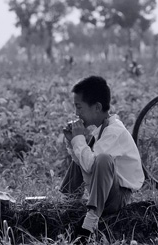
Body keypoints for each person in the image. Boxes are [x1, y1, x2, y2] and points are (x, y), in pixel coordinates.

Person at [60, 76, 145, 238]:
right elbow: (85, 162)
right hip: (103, 191)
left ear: (97, 107)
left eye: (79, 107)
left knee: (101, 158)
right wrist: (73, 142)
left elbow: (93, 165)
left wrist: (78, 140)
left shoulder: (114, 131)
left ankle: (91, 221)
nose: (76, 113)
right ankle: (69, 200)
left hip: (116, 197)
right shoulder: (101, 130)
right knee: (83, 149)